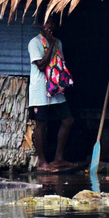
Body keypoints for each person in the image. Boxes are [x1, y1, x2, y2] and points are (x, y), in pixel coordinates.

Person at [28, 17, 76, 172]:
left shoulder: (57, 42)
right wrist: (49, 46)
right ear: (40, 26)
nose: (50, 26)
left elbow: (59, 62)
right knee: (41, 124)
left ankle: (58, 158)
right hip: (40, 89)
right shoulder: (34, 43)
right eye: (46, 23)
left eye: (52, 23)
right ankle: (43, 162)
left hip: (54, 87)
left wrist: (53, 43)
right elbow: (41, 65)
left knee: (68, 120)